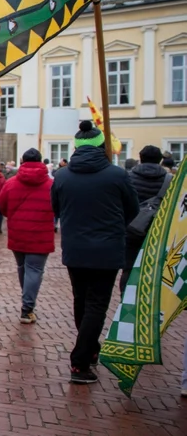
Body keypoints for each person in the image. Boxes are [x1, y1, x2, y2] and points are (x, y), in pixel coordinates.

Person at [51, 121, 139, 384]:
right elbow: (132, 210)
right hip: (107, 249)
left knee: (82, 300)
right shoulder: (117, 175)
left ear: (75, 148)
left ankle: (89, 350)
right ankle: (80, 361)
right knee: (96, 305)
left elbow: (56, 208)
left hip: (75, 248)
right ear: (102, 147)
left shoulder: (62, 176)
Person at [0, 148, 54, 324]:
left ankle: (27, 302)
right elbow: (58, 206)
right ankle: (27, 307)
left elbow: (3, 205)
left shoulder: (11, 183)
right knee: (34, 270)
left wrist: (14, 217)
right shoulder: (51, 184)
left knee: (23, 268)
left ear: (22, 161)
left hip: (18, 232)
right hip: (41, 233)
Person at [120, 145, 173, 296]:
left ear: (140, 158)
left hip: (131, 227)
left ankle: (127, 298)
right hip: (157, 228)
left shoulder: (128, 177)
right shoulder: (169, 179)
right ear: (160, 160)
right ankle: (149, 298)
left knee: (128, 267)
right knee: (154, 266)